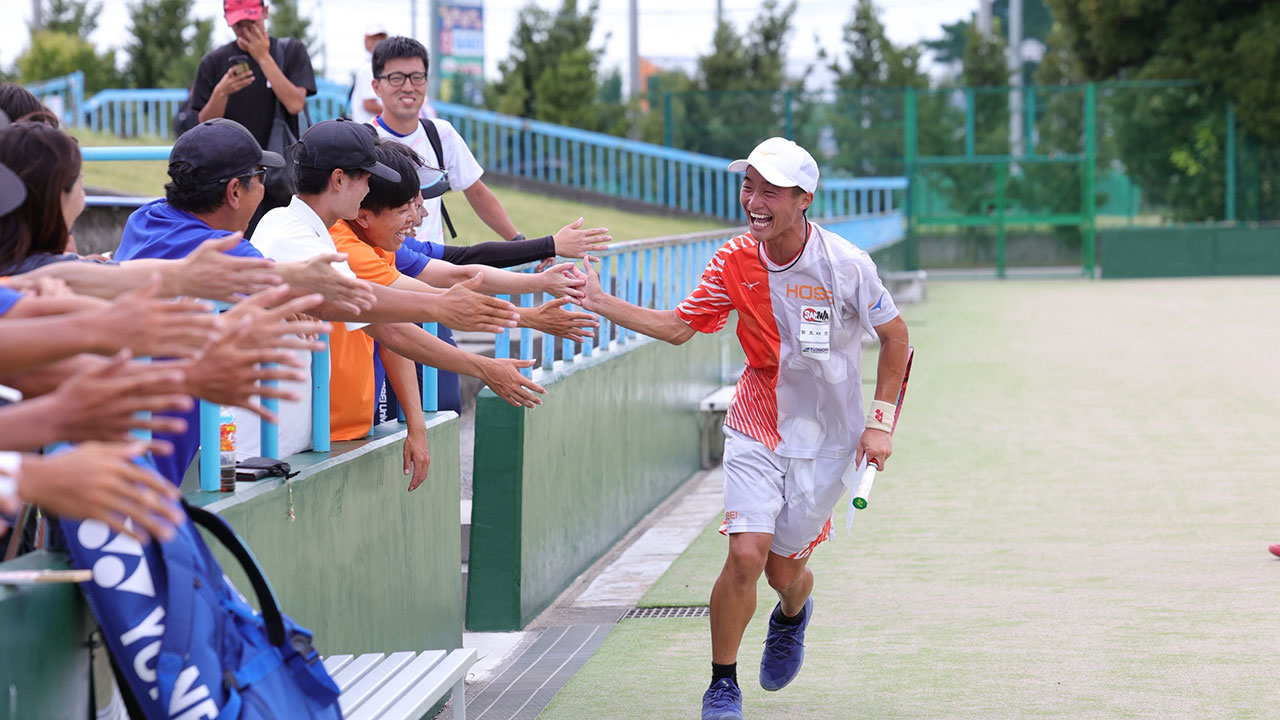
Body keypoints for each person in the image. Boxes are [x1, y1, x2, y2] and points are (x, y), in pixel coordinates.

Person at [573, 137, 911, 720]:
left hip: (830, 437)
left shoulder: (848, 264)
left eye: (770, 191)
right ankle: (722, 685)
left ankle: (792, 613)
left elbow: (897, 339)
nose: (753, 201)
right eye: (748, 186)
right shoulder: (734, 259)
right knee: (745, 557)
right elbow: (681, 327)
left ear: (804, 199)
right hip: (756, 422)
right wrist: (600, 300)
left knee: (784, 572)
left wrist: (880, 425)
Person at [191, 0, 317, 231]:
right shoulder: (214, 61)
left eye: (252, 20)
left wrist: (263, 57)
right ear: (228, 22)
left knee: (279, 242)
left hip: (281, 171)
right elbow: (205, 124)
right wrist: (221, 92)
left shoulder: (291, 51)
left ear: (266, 12)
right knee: (238, 245)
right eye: (239, 24)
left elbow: (295, 103)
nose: (247, 29)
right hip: (231, 176)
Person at [350, 23, 388, 125]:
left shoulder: (369, 66)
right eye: (374, 39)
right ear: (366, 41)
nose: (378, 43)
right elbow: (369, 104)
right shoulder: (370, 68)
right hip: (370, 129)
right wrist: (396, 112)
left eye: (382, 39)